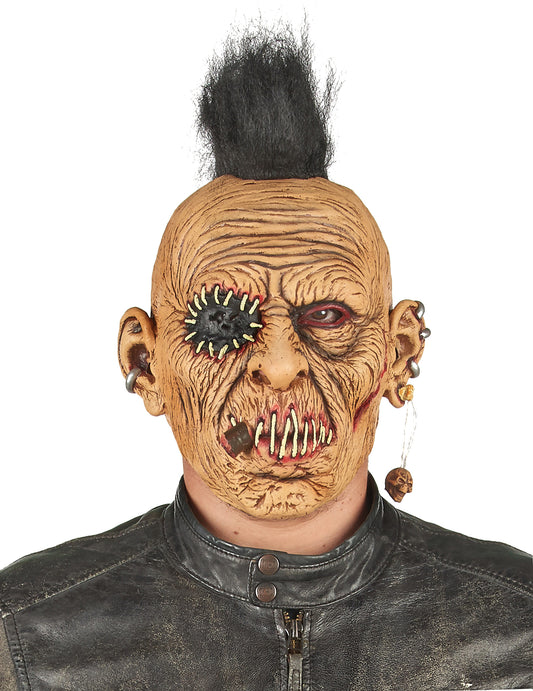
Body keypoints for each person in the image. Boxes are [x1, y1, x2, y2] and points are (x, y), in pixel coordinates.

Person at [1, 27, 531, 691]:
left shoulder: (518, 629)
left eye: (328, 317)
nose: (279, 365)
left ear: (400, 354)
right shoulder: (28, 637)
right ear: (145, 363)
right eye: (221, 323)